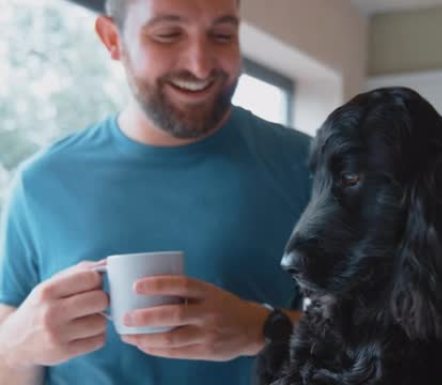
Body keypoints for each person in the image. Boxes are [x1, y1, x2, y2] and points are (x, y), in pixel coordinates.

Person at [0, 0, 310, 384]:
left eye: (222, 35)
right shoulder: (40, 184)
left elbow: (387, 338)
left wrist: (260, 328)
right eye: (168, 34)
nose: (200, 65)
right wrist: (14, 348)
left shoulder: (312, 167)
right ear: (113, 39)